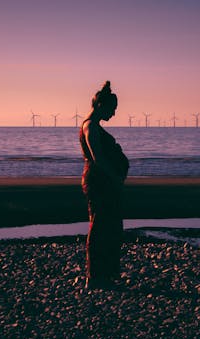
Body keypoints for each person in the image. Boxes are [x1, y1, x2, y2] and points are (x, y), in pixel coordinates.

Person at [80, 81, 129, 289]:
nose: (114, 114)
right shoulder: (90, 126)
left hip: (105, 181)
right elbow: (97, 158)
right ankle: (95, 277)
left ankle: (107, 275)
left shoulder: (95, 126)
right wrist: (115, 178)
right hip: (99, 182)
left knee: (110, 225)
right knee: (100, 226)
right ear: (101, 105)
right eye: (112, 109)